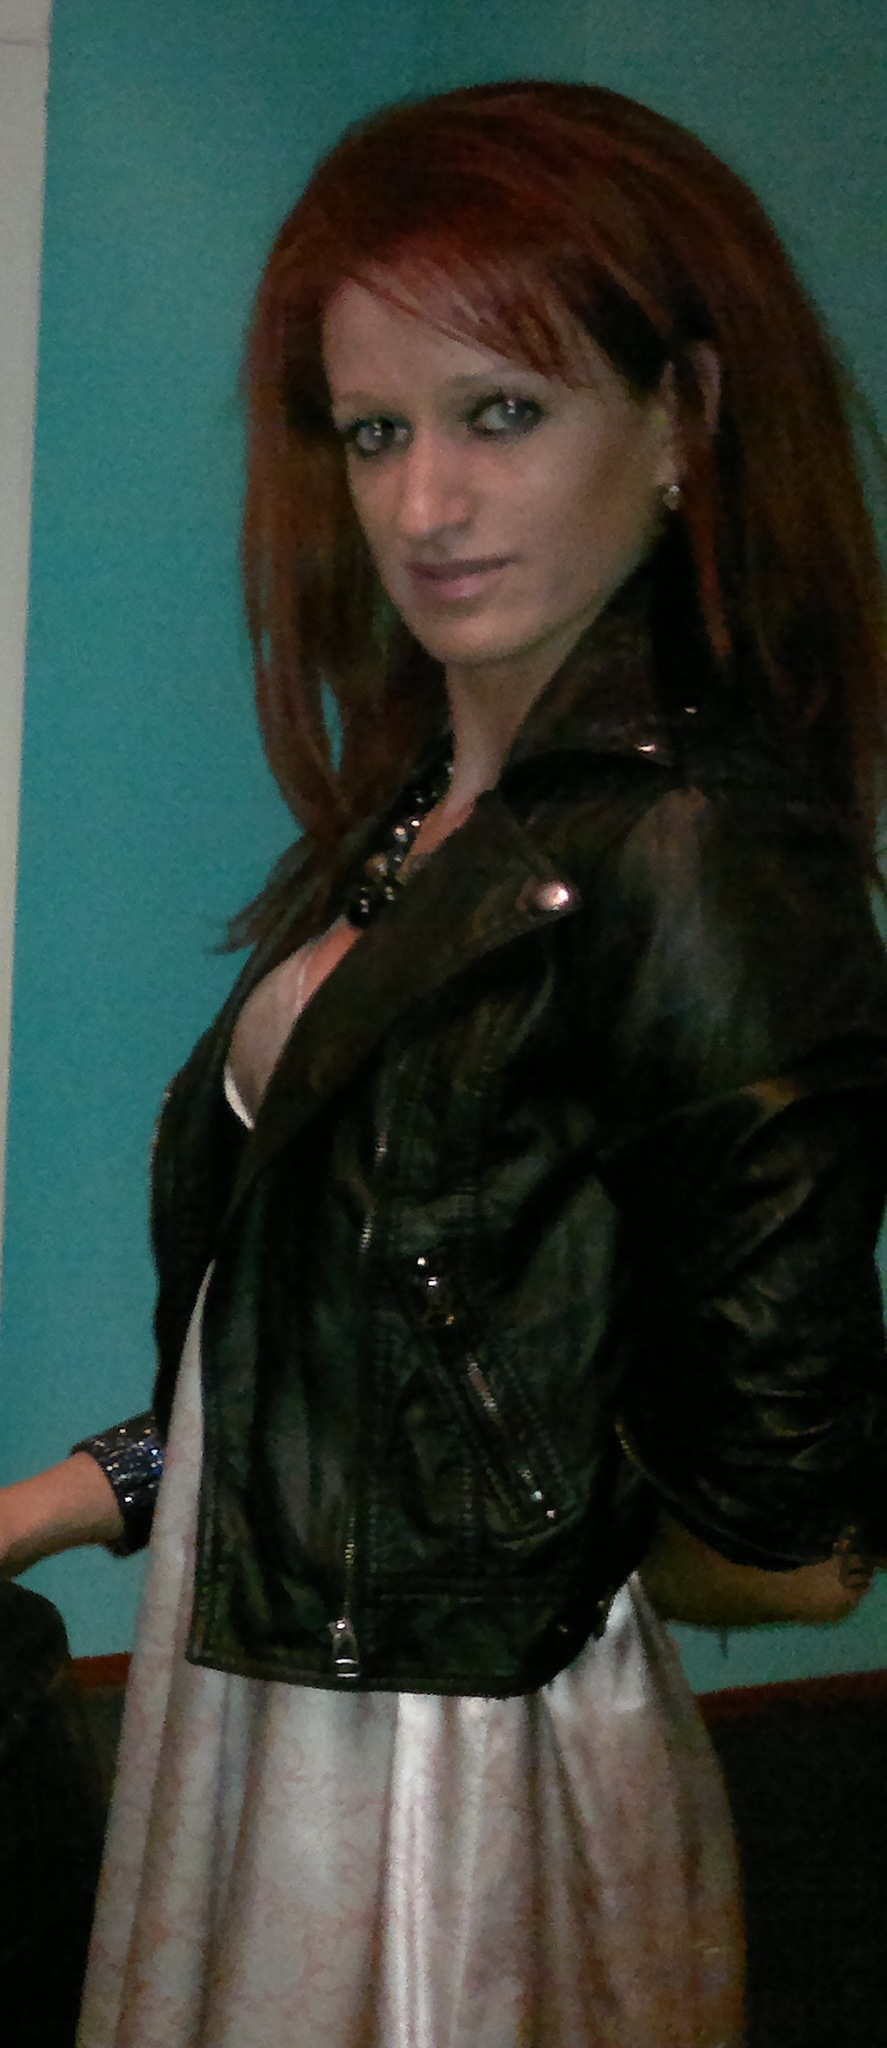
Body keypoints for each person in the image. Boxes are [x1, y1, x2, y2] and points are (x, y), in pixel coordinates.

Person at [2, 76, 887, 2048]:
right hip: (260, 1696)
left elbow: (798, 1533)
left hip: (448, 1786)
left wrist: (496, 1570)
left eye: (501, 413)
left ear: (683, 418)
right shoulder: (422, 814)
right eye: (377, 431)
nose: (422, 506)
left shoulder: (698, 854)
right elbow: (338, 1347)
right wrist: (62, 1497)